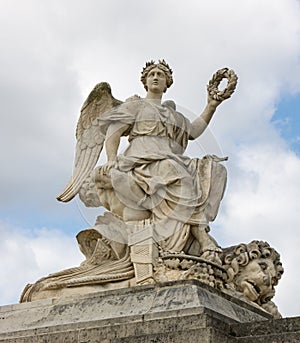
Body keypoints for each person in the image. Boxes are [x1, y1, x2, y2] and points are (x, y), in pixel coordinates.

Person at [87, 60, 229, 257]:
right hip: (141, 160)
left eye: (160, 75)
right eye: (151, 74)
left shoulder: (172, 115)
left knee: (216, 169)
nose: (155, 77)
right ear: (145, 81)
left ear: (167, 83)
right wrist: (111, 160)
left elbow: (194, 131)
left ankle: (192, 232)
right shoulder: (135, 106)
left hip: (169, 158)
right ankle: (200, 235)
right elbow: (113, 131)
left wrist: (211, 106)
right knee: (176, 171)